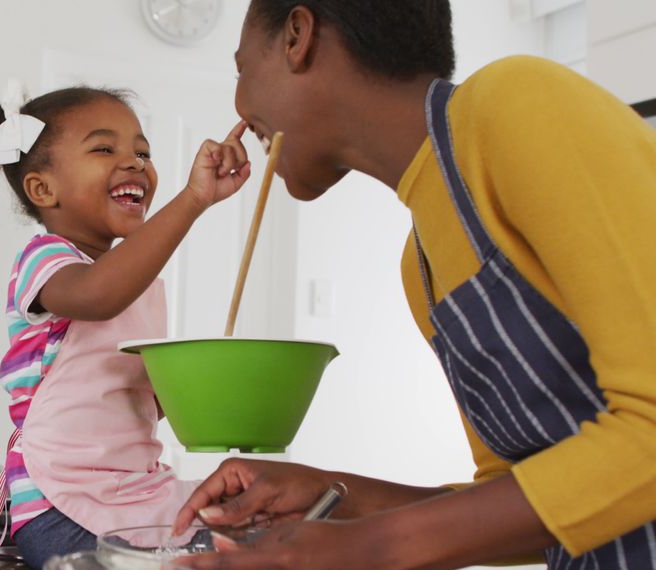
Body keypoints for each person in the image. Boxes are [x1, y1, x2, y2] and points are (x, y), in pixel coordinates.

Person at [171, 1, 656, 568]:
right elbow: (522, 497)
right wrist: (333, 497)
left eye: (241, 68)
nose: (238, 109)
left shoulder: (518, 100)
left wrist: (372, 546)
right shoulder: (418, 262)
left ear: (297, 36)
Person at [0, 81, 251, 568]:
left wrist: (203, 394)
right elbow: (98, 294)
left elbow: (131, 404)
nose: (135, 161)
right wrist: (194, 199)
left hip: (131, 488)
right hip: (62, 505)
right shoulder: (46, 259)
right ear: (42, 189)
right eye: (104, 148)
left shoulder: (134, 283)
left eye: (143, 150)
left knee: (251, 524)